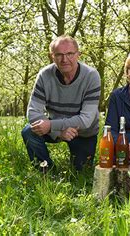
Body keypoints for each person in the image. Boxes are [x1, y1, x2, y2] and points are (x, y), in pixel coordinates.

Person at [21, 35, 101, 172]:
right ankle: (46, 172)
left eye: (69, 54)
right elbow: (33, 112)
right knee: (29, 131)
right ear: (52, 56)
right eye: (59, 55)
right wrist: (58, 132)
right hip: (56, 128)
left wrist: (51, 125)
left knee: (81, 173)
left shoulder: (91, 76)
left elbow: (86, 120)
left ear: (78, 55)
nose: (64, 60)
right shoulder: (44, 75)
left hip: (83, 132)